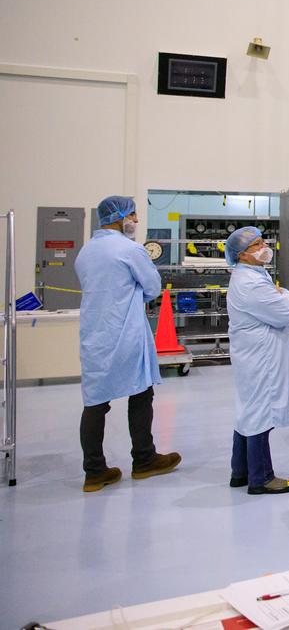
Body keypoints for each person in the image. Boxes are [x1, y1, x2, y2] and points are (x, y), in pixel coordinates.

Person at [74, 196, 181, 492]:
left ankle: (94, 472)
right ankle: (144, 460)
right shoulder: (129, 249)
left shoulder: (86, 252)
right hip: (126, 331)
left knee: (95, 402)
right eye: (133, 214)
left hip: (95, 335)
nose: (135, 220)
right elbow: (152, 286)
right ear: (120, 216)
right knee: (140, 393)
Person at [225, 227, 289, 494]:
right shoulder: (250, 283)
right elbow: (284, 313)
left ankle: (241, 471)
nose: (264, 247)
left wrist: (279, 294)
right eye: (256, 245)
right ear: (242, 255)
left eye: (262, 241)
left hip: (255, 354)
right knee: (261, 413)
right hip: (261, 357)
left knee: (249, 411)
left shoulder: (251, 276)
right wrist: (287, 295)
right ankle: (261, 478)